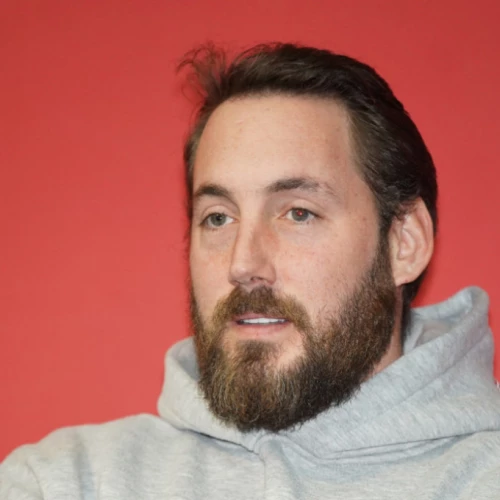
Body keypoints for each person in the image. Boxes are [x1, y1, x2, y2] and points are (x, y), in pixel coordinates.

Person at [1, 42, 499, 499]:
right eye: (218, 218)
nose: (243, 264)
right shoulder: (64, 481)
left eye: (298, 213)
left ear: (404, 243)